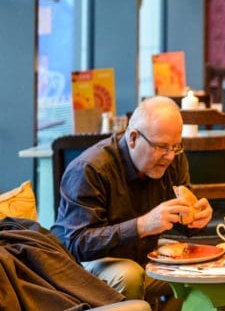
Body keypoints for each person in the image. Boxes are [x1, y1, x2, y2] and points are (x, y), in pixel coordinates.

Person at [52, 96, 213, 303]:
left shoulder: (173, 159)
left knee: (203, 270)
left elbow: (183, 222)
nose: (170, 156)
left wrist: (196, 218)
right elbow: (77, 243)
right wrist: (142, 226)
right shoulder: (90, 168)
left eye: (176, 146)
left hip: (143, 252)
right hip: (83, 264)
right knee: (129, 275)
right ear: (133, 138)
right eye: (161, 146)